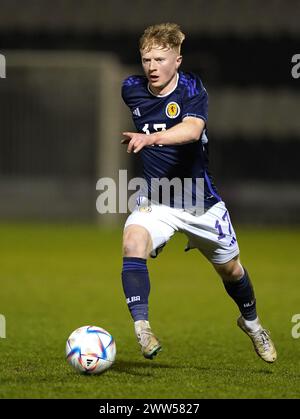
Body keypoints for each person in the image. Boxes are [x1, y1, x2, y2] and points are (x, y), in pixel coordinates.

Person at [120, 23, 277, 363]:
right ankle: (142, 328)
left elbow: (192, 131)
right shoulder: (131, 89)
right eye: (146, 59)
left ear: (177, 60)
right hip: (158, 200)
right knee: (133, 240)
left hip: (199, 204)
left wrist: (150, 138)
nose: (151, 67)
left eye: (160, 59)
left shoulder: (192, 89)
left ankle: (251, 323)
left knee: (232, 270)